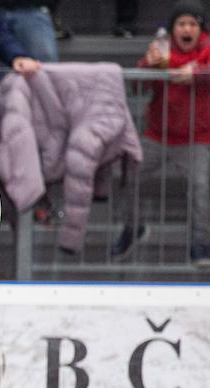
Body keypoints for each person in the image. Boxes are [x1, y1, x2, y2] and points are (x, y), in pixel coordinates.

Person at [113, 0, 210, 266]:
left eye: (193, 23)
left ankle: (201, 244)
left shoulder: (208, 50)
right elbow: (138, 86)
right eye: (182, 24)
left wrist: (193, 73)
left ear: (201, 29)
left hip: (196, 138)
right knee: (128, 173)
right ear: (173, 29)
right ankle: (134, 228)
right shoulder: (161, 50)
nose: (187, 29)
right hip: (158, 135)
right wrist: (149, 66)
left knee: (201, 188)